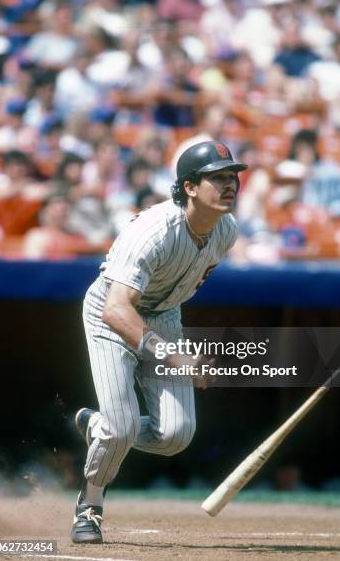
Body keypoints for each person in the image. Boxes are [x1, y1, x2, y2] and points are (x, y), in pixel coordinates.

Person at [70, 141, 247, 544]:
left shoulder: (226, 231)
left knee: (175, 436)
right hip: (109, 315)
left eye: (233, 175)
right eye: (217, 177)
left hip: (163, 317)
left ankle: (100, 426)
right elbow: (117, 309)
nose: (230, 183)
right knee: (122, 428)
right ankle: (90, 507)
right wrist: (173, 356)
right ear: (189, 186)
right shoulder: (154, 231)